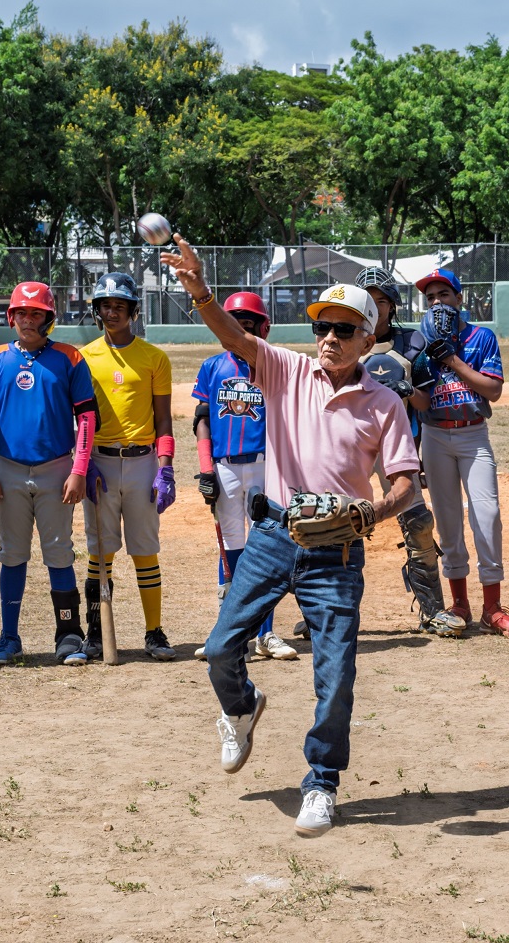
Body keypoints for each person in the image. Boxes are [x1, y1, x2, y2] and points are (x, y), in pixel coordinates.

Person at [163, 234, 419, 838]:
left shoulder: (384, 404)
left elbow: (406, 485)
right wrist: (199, 289)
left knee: (334, 673)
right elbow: (233, 336)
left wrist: (369, 517)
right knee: (223, 647)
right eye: (322, 325)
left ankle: (322, 783)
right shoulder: (285, 369)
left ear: (367, 337)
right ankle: (241, 706)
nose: (329, 337)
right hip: (275, 533)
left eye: (343, 328)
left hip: (337, 553)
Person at [0, 281, 99, 666]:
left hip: (56, 469)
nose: (28, 320)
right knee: (12, 554)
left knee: (59, 552)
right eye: (21, 313)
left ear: (49, 319)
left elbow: (87, 417)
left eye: (36, 314)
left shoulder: (69, 358)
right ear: (10, 317)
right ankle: (9, 638)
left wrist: (79, 469)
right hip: (8, 470)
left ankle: (68, 633)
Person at [415, 268, 509, 637]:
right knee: (447, 521)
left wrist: (451, 359)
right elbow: (417, 399)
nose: (437, 303)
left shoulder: (480, 337)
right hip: (435, 435)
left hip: (472, 434)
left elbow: (493, 391)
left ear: (460, 299)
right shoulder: (419, 339)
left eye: (444, 295)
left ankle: (492, 607)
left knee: (487, 514)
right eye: (430, 297)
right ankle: (460, 603)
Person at [192, 292, 296, 661]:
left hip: (264, 466)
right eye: (234, 321)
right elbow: (201, 420)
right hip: (224, 467)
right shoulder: (212, 366)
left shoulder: (275, 366)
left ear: (262, 327)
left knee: (264, 551)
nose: (240, 327)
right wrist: (206, 467)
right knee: (231, 551)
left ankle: (266, 635)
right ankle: (229, 636)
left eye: (248, 322)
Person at [353, 267, 457, 635]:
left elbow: (427, 402)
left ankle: (432, 609)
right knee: (336, 521)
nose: (373, 308)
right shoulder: (347, 337)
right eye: (366, 300)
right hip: (352, 448)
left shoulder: (411, 342)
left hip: (397, 445)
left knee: (418, 522)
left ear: (392, 305)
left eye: (380, 301)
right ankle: (326, 608)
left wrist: (408, 390)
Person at [79, 272, 177, 661]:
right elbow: (80, 417)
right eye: (105, 305)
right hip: (99, 462)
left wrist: (165, 467)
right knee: (98, 553)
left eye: (120, 306)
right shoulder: (83, 357)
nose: (112, 312)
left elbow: (164, 420)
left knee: (144, 550)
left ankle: (154, 632)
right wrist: (83, 463)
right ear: (97, 311)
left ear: (134, 312)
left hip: (142, 462)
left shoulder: (155, 358)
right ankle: (95, 633)